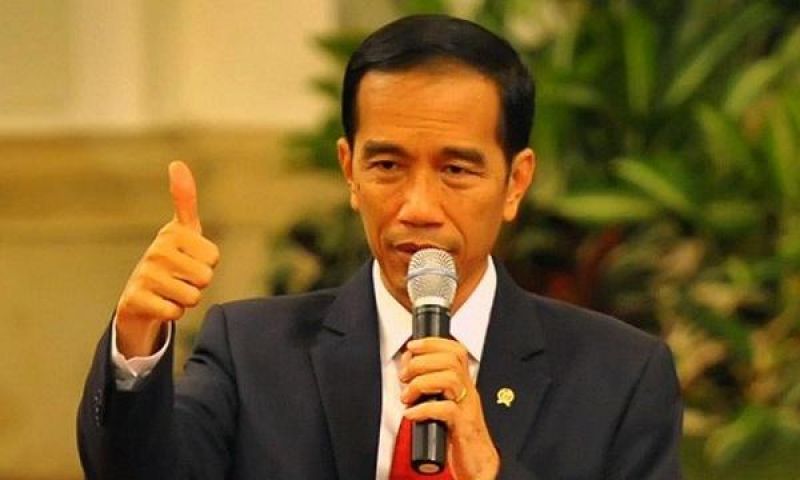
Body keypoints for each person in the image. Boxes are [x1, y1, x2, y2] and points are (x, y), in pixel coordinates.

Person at [78, 14, 682, 480]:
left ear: (515, 182)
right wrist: (137, 337)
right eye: (388, 165)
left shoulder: (619, 377)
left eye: (456, 170)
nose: (417, 206)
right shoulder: (253, 352)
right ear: (349, 170)